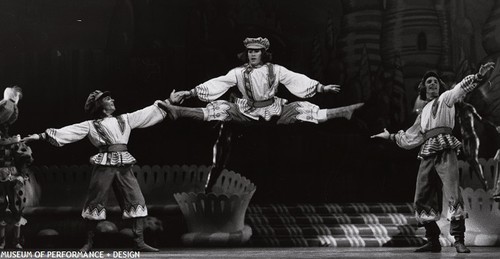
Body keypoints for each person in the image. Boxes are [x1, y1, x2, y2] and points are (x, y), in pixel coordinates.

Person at [371, 62, 495, 254]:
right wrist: (391, 136)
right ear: (423, 87)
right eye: (429, 82)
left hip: (445, 148)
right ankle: (432, 240)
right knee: (423, 195)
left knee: (453, 192)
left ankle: (459, 240)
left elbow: (460, 88)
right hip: (428, 151)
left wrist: (478, 76)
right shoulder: (423, 113)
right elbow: (413, 136)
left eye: (435, 82)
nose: (432, 84)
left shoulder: (446, 98)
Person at [22, 90, 169, 252]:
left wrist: (168, 101)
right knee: (95, 201)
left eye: (111, 97)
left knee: (136, 199)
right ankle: (89, 243)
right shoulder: (90, 126)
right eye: (107, 98)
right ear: (100, 105)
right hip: (104, 164)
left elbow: (146, 113)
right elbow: (68, 132)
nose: (112, 99)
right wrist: (39, 136)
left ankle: (139, 242)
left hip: (123, 164)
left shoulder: (125, 119)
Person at [162, 37, 364, 124]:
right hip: (246, 110)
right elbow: (218, 82)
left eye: (256, 52)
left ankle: (342, 112)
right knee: (219, 109)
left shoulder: (275, 70)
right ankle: (179, 111)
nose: (252, 55)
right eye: (250, 51)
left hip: (273, 110)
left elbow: (296, 79)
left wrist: (321, 88)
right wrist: (190, 93)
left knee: (303, 110)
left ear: (263, 53)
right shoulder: (238, 73)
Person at [0, 86, 33, 249]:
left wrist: (22, 174)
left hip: (13, 175)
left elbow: (22, 158)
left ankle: (17, 241)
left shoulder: (14, 141)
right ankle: (2, 241)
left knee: (17, 206)